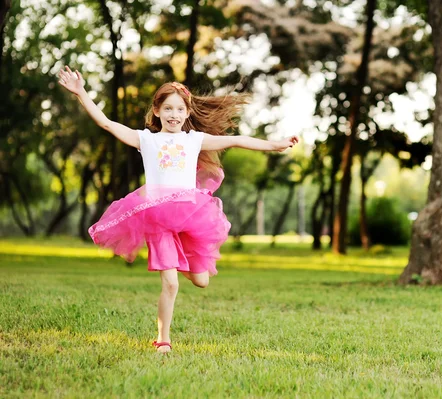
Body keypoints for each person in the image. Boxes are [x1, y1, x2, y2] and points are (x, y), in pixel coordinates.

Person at [58, 66, 298, 354]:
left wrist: (276, 145)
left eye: (179, 109)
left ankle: (177, 262)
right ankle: (163, 340)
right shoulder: (146, 139)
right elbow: (107, 123)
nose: (173, 114)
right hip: (157, 219)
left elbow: (237, 140)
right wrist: (80, 92)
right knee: (170, 284)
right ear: (157, 111)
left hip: (189, 217)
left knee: (201, 280)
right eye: (167, 108)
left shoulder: (194, 140)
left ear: (187, 113)